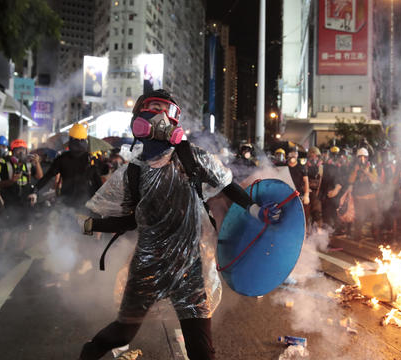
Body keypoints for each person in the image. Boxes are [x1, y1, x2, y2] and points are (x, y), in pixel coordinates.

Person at [79, 89, 281, 360]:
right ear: (138, 119)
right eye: (152, 109)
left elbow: (227, 186)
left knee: (201, 349)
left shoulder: (192, 157)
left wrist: (256, 210)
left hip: (188, 267)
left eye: (166, 111)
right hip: (148, 266)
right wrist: (93, 225)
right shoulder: (134, 172)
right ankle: (88, 353)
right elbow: (131, 220)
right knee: (123, 333)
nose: (160, 118)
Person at [30, 124, 102, 210]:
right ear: (85, 140)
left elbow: (47, 176)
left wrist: (35, 191)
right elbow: (98, 182)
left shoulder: (62, 158)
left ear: (70, 139)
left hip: (67, 203)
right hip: (84, 204)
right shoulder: (91, 159)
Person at [0, 139, 43, 252]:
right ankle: (1, 251)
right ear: (13, 151)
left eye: (23, 149)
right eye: (18, 150)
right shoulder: (5, 164)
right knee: (7, 227)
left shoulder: (28, 164)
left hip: (25, 200)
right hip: (10, 200)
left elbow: (39, 176)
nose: (21, 152)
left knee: (24, 227)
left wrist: (37, 163)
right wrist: (12, 181)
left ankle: (19, 250)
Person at [347, 148, 380, 241]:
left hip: (371, 198)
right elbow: (350, 181)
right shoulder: (354, 168)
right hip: (359, 198)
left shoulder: (371, 167)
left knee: (375, 217)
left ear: (367, 158)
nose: (362, 159)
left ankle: (376, 237)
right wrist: (356, 171)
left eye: (364, 157)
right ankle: (357, 238)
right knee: (359, 218)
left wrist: (366, 172)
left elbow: (375, 180)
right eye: (360, 157)